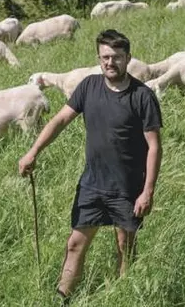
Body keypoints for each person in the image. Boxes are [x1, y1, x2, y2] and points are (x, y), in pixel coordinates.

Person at [18, 29, 163, 304]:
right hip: (92, 184)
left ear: (128, 58)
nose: (110, 63)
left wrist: (148, 191)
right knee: (74, 244)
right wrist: (33, 151)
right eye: (105, 57)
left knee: (125, 247)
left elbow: (154, 146)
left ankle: (123, 297)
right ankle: (62, 299)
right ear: (99, 58)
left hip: (128, 188)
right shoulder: (89, 87)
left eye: (117, 57)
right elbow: (60, 120)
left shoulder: (142, 96)